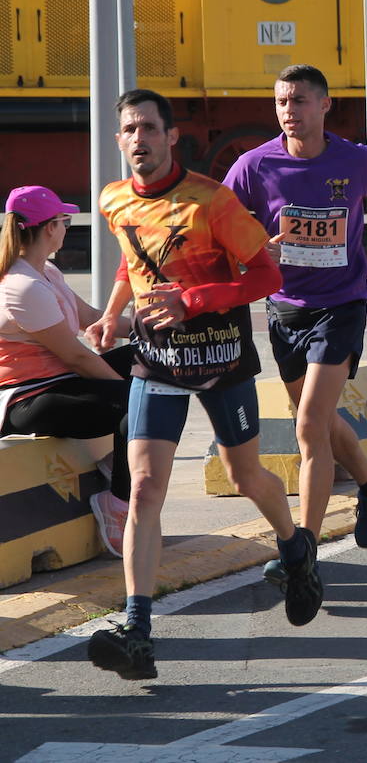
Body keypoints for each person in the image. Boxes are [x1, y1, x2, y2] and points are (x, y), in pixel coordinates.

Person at [86, 89, 306, 680]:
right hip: (156, 360)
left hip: (219, 356)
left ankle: (293, 545)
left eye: (149, 128)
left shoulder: (213, 202)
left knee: (245, 475)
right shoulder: (112, 200)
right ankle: (137, 628)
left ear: (171, 135)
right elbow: (133, 261)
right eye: (129, 129)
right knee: (146, 487)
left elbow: (266, 274)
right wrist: (113, 314)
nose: (139, 139)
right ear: (119, 139)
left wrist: (195, 299)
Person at [224, 64, 367, 605]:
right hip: (285, 311)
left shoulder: (354, 161)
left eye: (301, 100)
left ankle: (301, 551)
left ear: (325, 105)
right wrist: (255, 247)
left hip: (342, 307)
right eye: (282, 101)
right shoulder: (255, 165)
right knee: (323, 421)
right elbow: (223, 223)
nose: (289, 110)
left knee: (308, 425)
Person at [1, 186, 133, 556]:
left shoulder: (46, 271)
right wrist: (126, 391)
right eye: (64, 220)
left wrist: (150, 330)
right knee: (138, 404)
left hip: (62, 381)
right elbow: (78, 357)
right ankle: (117, 504)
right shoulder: (22, 286)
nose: (66, 227)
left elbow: (92, 319)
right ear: (48, 228)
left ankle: (117, 458)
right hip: (29, 398)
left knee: (152, 359)